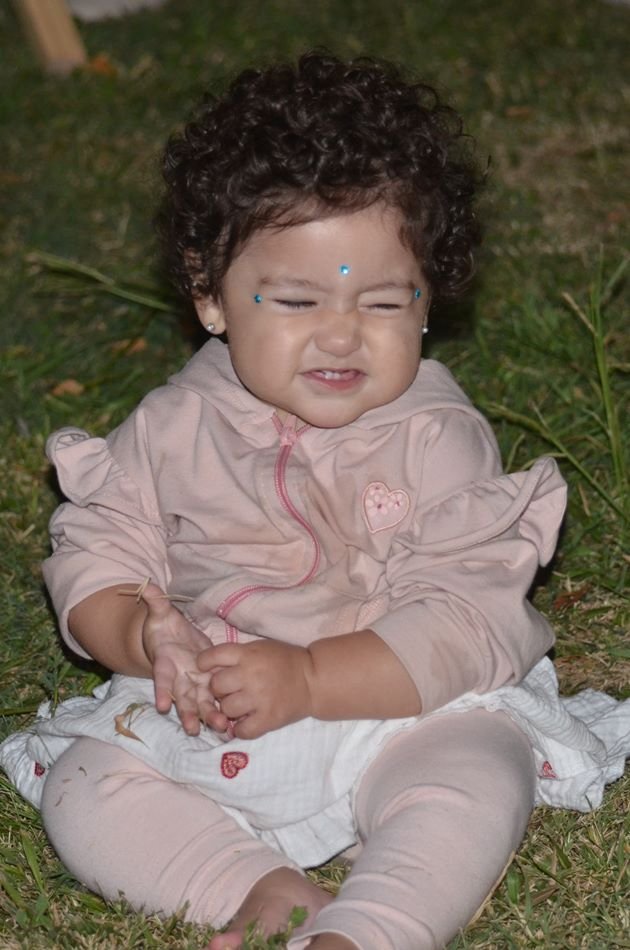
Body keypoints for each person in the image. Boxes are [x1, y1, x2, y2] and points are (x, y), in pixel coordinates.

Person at [1, 52, 628, 950]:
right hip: (207, 710)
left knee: (478, 770)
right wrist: (144, 637)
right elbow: (100, 547)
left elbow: (464, 621)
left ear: (428, 298)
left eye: (382, 303)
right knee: (85, 787)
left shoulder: (437, 438)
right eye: (295, 301)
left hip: (394, 703)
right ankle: (257, 888)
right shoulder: (172, 424)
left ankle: (371, 927)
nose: (340, 335)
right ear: (211, 296)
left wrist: (311, 679)